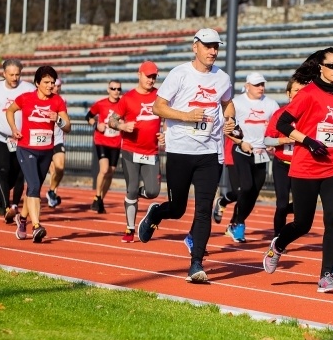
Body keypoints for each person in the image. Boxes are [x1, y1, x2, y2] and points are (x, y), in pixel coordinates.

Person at [136, 28, 234, 284]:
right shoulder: (179, 74)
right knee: (178, 209)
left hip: (209, 153)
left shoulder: (222, 78)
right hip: (180, 150)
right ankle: (157, 213)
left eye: (216, 47)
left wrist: (230, 119)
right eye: (208, 46)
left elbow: (227, 103)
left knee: (203, 210)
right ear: (195, 47)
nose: (213, 51)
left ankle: (196, 264)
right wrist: (186, 116)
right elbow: (158, 107)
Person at [263, 47, 333, 294]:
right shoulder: (307, 94)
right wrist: (306, 141)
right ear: (320, 67)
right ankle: (279, 245)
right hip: (305, 166)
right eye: (332, 66)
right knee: (302, 224)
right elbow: (282, 123)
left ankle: (326, 276)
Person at [6, 66, 70, 243]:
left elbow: (68, 126)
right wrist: (13, 128)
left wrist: (57, 119)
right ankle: (36, 226)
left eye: (52, 82)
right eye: (46, 82)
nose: (50, 86)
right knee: (33, 186)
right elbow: (10, 110)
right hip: (26, 148)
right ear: (37, 83)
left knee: (34, 189)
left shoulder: (57, 101)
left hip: (46, 151)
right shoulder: (26, 98)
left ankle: (22, 219)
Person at [108, 62, 165, 243]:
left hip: (151, 151)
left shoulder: (160, 96)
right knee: (131, 188)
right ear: (139, 74)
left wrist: (165, 134)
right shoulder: (128, 98)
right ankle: (130, 229)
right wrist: (122, 125)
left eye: (154, 76)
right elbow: (111, 121)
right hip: (130, 150)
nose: (151, 79)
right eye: (148, 76)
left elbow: (169, 119)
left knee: (153, 191)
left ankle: (134, 196)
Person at [224, 72, 280, 243]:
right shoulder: (237, 102)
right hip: (242, 150)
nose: (260, 88)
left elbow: (277, 125)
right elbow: (228, 127)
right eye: (256, 85)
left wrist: (272, 141)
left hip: (261, 153)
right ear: (247, 85)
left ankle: (236, 222)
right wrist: (240, 142)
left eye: (262, 84)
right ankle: (239, 224)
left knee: (254, 192)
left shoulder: (271, 104)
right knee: (246, 187)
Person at [0, 59, 35, 222]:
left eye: (17, 74)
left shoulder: (28, 88)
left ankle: (14, 205)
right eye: (11, 75)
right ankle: (6, 208)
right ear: (4, 74)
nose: (14, 78)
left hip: (22, 138)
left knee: (20, 175)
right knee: (3, 171)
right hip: (1, 137)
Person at [264, 77, 305, 237]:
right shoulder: (280, 114)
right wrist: (284, 139)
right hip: (282, 163)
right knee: (281, 205)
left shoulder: (309, 115)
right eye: (296, 91)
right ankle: (277, 238)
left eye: (303, 92)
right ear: (289, 94)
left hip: (301, 166)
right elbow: (267, 139)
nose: (300, 94)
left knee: (302, 205)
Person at [86, 80, 123, 214]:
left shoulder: (123, 104)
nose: (116, 91)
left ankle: (101, 199)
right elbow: (88, 116)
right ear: (108, 90)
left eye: (118, 89)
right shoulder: (101, 104)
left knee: (111, 172)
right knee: (104, 169)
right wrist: (96, 125)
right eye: (113, 88)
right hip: (101, 140)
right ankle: (97, 196)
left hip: (116, 142)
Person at [46, 78, 66, 208]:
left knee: (60, 168)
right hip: (44, 138)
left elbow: (65, 120)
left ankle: (51, 192)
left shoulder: (62, 100)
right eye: (54, 86)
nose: (56, 88)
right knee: (52, 169)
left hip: (58, 138)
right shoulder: (43, 98)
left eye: (59, 86)